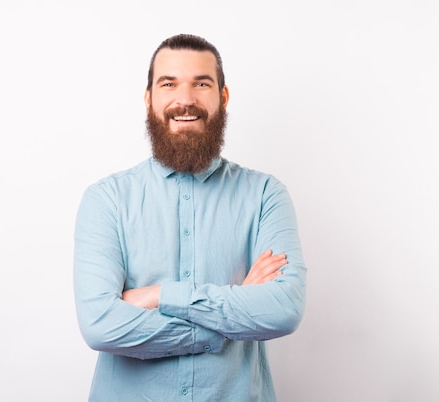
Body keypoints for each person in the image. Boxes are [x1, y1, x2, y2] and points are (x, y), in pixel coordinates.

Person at [74, 34, 307, 401]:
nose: (185, 100)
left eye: (202, 83)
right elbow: (101, 326)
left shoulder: (265, 195)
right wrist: (227, 320)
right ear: (149, 98)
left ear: (223, 98)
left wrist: (158, 296)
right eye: (169, 84)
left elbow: (283, 309)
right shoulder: (106, 200)